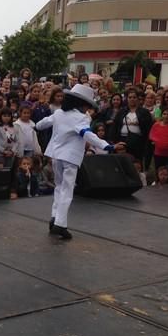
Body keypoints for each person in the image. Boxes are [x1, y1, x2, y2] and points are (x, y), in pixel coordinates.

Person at [35, 84, 125, 240]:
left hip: (55, 156)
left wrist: (37, 126)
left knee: (59, 188)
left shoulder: (59, 113)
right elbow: (87, 135)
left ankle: (55, 217)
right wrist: (108, 146)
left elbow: (41, 124)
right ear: (81, 104)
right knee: (67, 191)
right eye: (87, 106)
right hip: (70, 158)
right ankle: (60, 224)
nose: (88, 109)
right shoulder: (80, 118)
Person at [109, 89, 152, 167]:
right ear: (127, 99)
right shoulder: (122, 111)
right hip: (123, 140)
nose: (132, 99)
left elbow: (148, 128)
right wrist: (113, 141)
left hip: (138, 142)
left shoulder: (144, 112)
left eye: (134, 97)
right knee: (122, 163)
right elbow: (115, 126)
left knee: (136, 163)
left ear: (138, 99)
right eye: (130, 97)